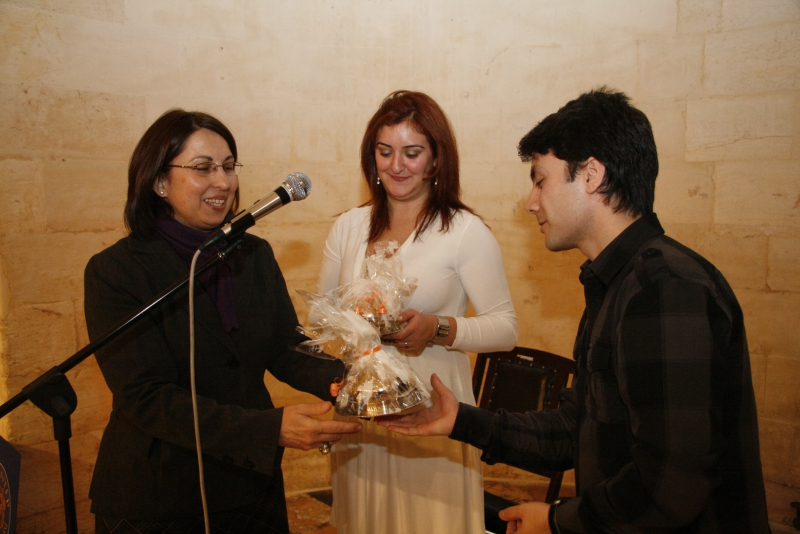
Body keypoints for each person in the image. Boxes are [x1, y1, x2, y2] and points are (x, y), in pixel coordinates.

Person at [381, 88, 770, 533]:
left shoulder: (665, 288)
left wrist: (557, 522)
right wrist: (460, 421)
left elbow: (672, 487)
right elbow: (578, 428)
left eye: (540, 180)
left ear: (590, 175)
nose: (532, 201)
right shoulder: (616, 282)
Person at [84, 109, 362, 534]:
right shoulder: (116, 271)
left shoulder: (253, 254)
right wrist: (268, 429)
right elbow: (146, 396)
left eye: (229, 166)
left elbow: (285, 348)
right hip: (158, 493)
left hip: (248, 486)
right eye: (203, 168)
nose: (223, 181)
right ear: (159, 182)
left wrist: (353, 381)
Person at [318, 90, 518, 533]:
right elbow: (320, 314)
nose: (396, 165)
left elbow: (505, 330)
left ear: (436, 160)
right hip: (365, 408)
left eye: (412, 153)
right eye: (384, 151)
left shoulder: (464, 232)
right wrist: (356, 320)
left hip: (433, 407)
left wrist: (438, 328)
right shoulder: (349, 226)